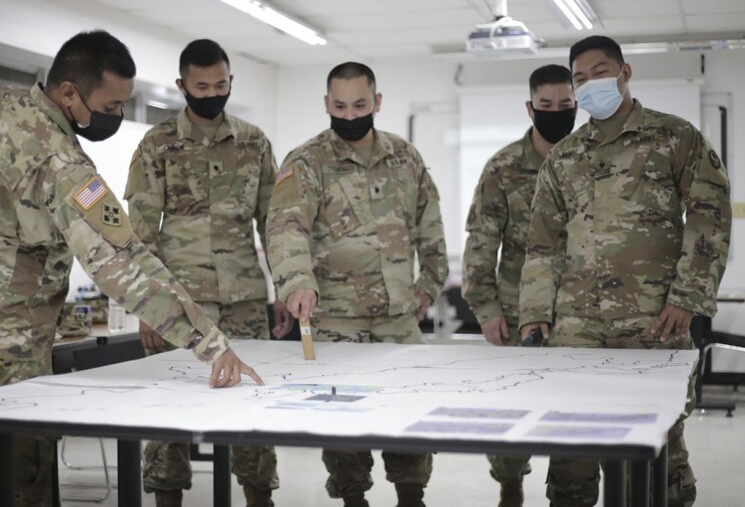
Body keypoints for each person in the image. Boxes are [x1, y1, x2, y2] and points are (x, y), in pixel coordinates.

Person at [0, 30, 262, 507]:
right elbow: (120, 261)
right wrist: (209, 342)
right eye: (110, 107)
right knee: (19, 484)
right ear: (69, 92)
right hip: (6, 348)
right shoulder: (63, 163)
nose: (118, 117)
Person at [519, 35, 732, 506]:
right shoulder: (564, 157)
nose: (590, 84)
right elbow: (542, 241)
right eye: (580, 79)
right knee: (570, 451)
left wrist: (687, 298)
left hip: (653, 320)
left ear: (624, 72)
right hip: (576, 327)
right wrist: (535, 313)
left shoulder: (675, 137)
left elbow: (708, 216)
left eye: (599, 72)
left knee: (656, 450)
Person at [266, 62, 448, 507]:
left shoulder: (406, 157)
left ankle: (411, 496)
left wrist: (428, 286)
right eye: (340, 106)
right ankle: (353, 499)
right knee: (343, 425)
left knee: (409, 414)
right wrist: (297, 283)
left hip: (397, 317)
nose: (350, 115)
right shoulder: (306, 161)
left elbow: (431, 226)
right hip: (335, 318)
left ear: (377, 102)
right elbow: (287, 228)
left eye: (360, 105)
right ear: (327, 104)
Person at [124, 39, 286, 507]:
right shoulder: (157, 144)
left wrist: (280, 290)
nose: (213, 93)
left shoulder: (254, 142)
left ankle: (259, 498)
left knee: (253, 410)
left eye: (221, 84)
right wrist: (148, 309)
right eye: (201, 86)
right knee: (169, 415)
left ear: (231, 82)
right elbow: (139, 235)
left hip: (244, 302)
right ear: (182, 86)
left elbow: (273, 224)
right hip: (179, 305)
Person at [462, 64, 576, 507]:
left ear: (576, 105)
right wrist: (486, 308)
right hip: (513, 311)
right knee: (512, 411)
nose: (555, 113)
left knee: (572, 411)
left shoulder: (590, 161)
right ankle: (511, 486)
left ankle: (568, 494)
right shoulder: (504, 167)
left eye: (565, 106)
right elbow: (480, 243)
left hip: (580, 311)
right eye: (546, 106)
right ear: (530, 108)